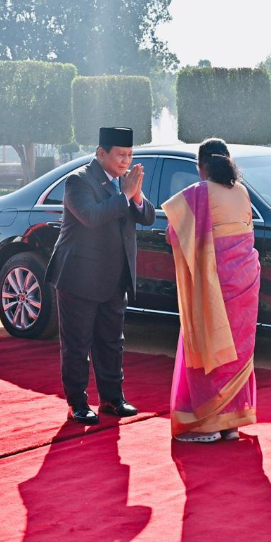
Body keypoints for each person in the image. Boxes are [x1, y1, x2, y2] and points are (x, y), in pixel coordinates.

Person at [46, 127, 155, 425]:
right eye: (120, 155)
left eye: (130, 155)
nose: (125, 161)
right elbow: (91, 217)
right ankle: (77, 403)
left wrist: (135, 196)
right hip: (79, 277)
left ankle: (112, 398)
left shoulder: (124, 184)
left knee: (111, 342)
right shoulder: (79, 181)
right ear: (100, 153)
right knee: (77, 345)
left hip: (114, 276)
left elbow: (147, 216)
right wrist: (125, 194)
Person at [162, 138, 261, 443]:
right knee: (236, 352)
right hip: (246, 281)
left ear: (201, 166)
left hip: (215, 282)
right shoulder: (243, 192)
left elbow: (172, 234)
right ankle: (231, 424)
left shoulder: (199, 193)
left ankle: (206, 424)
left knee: (209, 345)